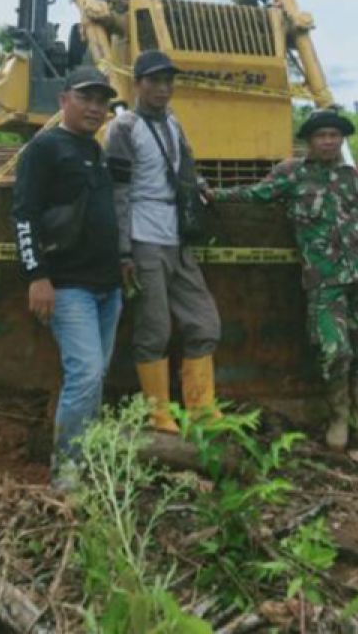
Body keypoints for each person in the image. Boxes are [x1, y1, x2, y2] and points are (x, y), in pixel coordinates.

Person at [211, 109, 358, 456]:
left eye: (334, 135)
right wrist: (213, 194)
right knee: (335, 351)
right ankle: (339, 420)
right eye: (321, 136)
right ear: (309, 142)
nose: (328, 141)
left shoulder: (352, 178)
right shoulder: (294, 177)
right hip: (325, 282)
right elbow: (255, 195)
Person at [11, 66, 123, 480]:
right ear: (63, 101)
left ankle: (85, 454)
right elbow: (24, 214)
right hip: (69, 286)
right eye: (85, 98)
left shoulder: (94, 150)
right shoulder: (44, 148)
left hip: (108, 288)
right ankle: (68, 470)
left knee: (94, 379)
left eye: (101, 100)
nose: (95, 108)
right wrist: (36, 275)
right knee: (87, 374)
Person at [104, 50, 223, 432]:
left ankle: (202, 407)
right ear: (137, 84)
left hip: (178, 236)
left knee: (204, 322)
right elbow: (118, 193)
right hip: (143, 236)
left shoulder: (174, 123)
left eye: (168, 81)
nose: (163, 88)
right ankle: (159, 414)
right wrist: (124, 250)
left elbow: (186, 168)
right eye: (154, 81)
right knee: (154, 327)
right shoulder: (123, 128)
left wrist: (202, 187)